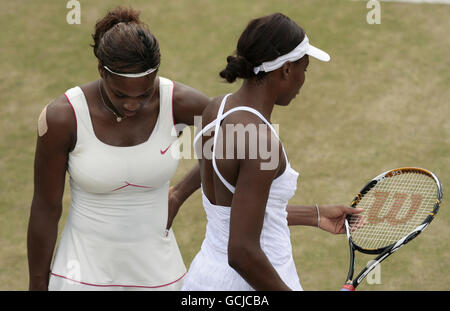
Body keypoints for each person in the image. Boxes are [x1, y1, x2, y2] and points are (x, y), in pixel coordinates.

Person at [27, 6, 209, 291]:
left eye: (145, 93)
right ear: (101, 70)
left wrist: (179, 194)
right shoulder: (63, 117)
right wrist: (37, 284)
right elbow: (46, 207)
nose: (132, 104)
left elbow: (234, 143)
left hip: (160, 275)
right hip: (81, 274)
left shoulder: (178, 102)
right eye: (120, 94)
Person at [181, 13, 363, 291]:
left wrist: (315, 215)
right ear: (287, 69)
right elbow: (242, 252)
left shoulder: (214, 110)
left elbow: (234, 211)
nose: (304, 79)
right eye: (305, 68)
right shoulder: (261, 143)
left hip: (204, 279)